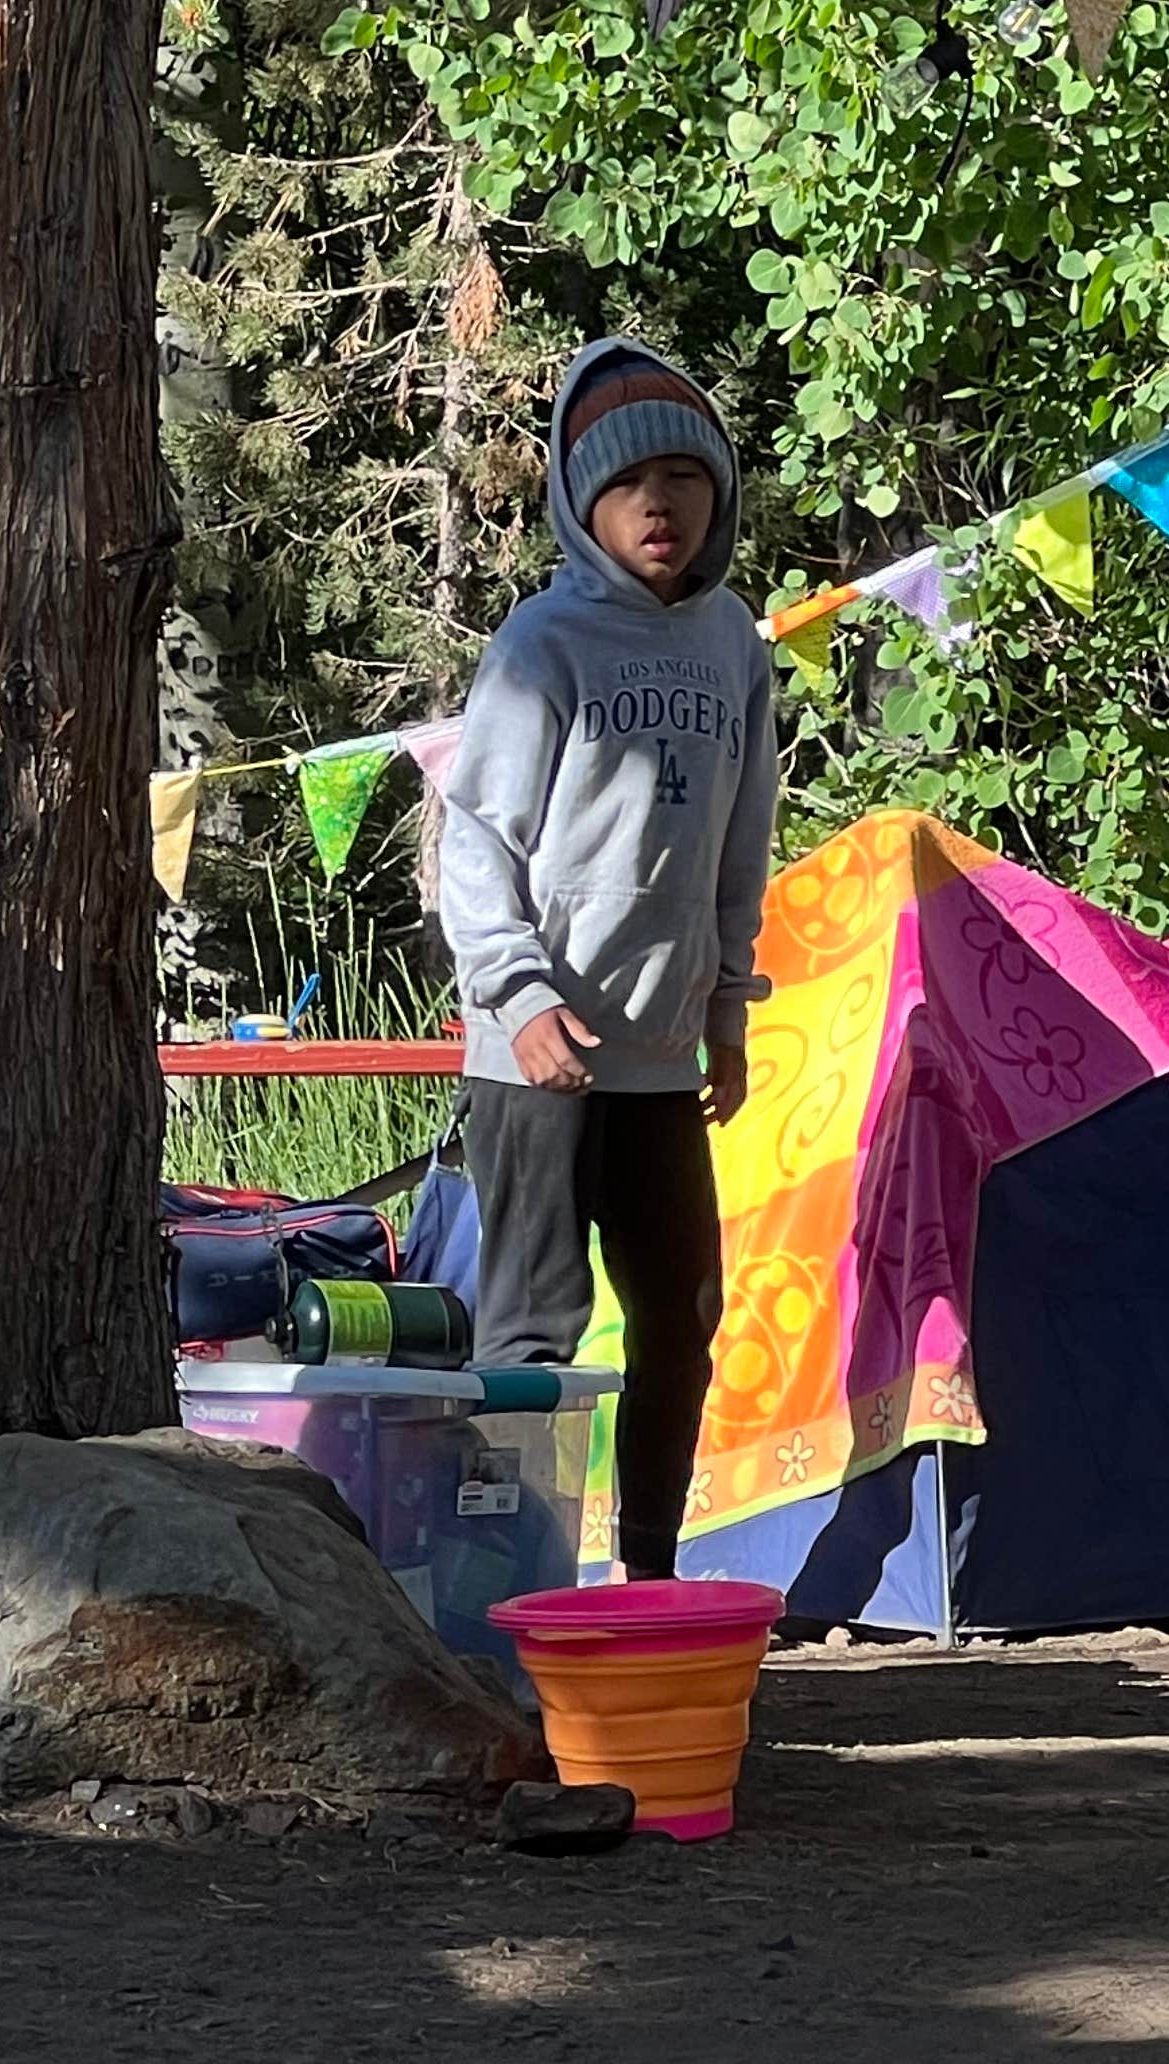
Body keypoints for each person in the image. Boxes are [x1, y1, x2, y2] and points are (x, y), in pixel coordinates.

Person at [436, 338, 777, 1580]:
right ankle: (500, 1590)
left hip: (659, 1056)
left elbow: (745, 844)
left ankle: (647, 1576)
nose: (661, 505)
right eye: (634, 484)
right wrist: (518, 996)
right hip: (538, 1053)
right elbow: (474, 842)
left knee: (684, 1321)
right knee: (533, 1330)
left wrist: (729, 1007)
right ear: (582, 504)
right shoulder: (541, 642)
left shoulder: (734, 641)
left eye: (689, 480)